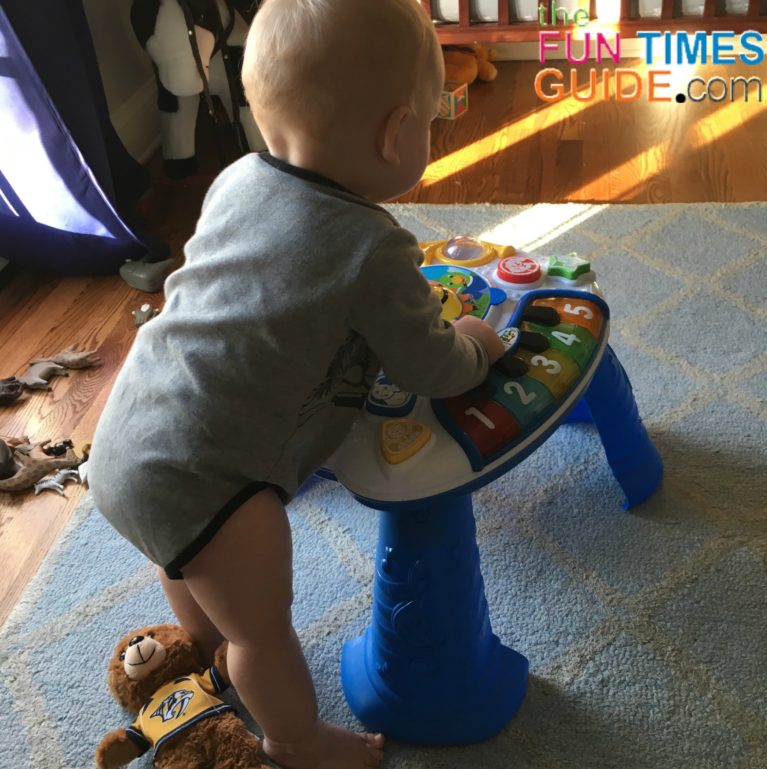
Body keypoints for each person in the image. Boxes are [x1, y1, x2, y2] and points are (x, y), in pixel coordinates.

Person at [88, 1, 505, 767]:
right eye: (434, 118)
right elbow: (427, 364)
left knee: (184, 555)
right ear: (394, 134)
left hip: (128, 433)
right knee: (263, 629)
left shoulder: (238, 178)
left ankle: (207, 645)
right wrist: (475, 345)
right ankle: (294, 738)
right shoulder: (373, 249)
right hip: (211, 475)